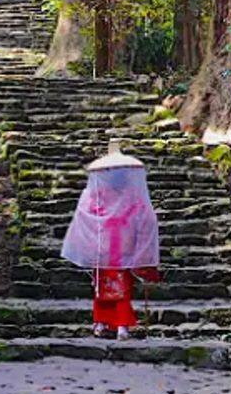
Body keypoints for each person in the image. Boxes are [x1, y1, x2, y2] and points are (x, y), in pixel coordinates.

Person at [60, 141, 161, 339]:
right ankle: (119, 325)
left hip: (104, 242)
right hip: (123, 240)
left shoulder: (97, 194)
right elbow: (144, 215)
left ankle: (102, 323)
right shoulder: (130, 194)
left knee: (102, 285)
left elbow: (86, 212)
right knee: (120, 284)